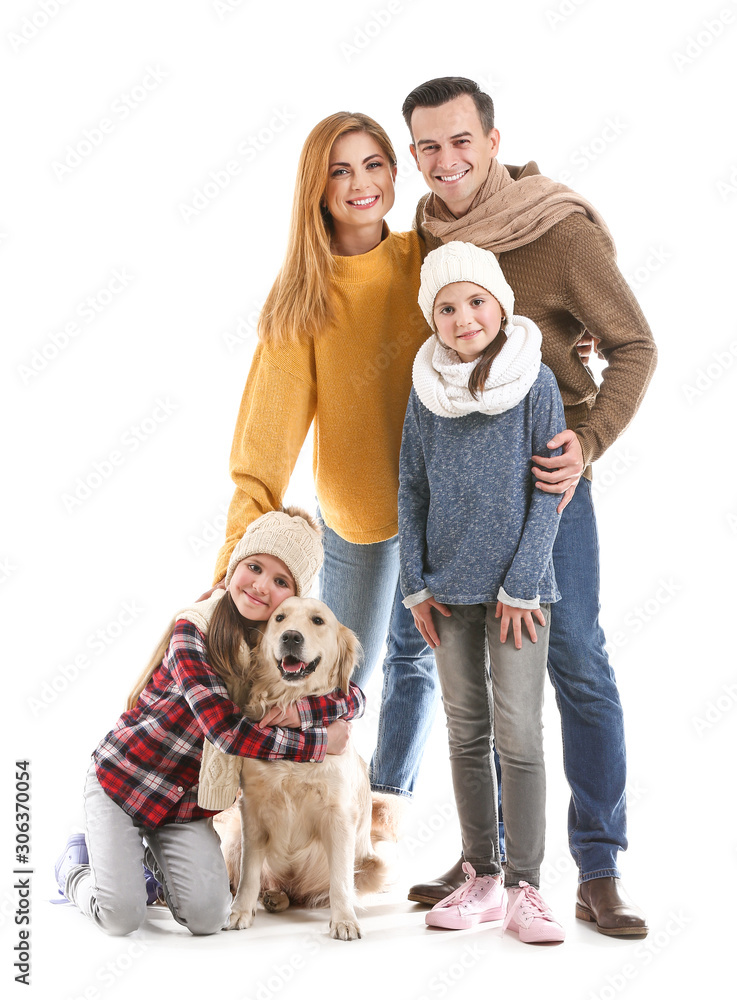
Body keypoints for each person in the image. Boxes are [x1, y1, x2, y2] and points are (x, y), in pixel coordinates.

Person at [401, 76, 656, 938]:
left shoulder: (555, 228)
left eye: (460, 140)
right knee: (473, 691)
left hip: (549, 484)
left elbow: (632, 344)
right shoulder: (427, 234)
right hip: (464, 497)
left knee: (575, 656)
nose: (447, 161)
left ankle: (597, 866)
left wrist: (589, 438)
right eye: (428, 147)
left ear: (492, 137)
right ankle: (491, 857)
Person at [211, 112, 437, 855]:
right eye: (339, 171)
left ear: (395, 174)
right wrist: (232, 563)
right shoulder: (305, 296)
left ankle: (382, 802)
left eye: (372, 164)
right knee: (343, 664)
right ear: (317, 188)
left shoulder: (426, 257)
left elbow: (502, 289)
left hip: (446, 507)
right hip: (359, 512)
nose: (359, 183)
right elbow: (263, 444)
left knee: (418, 660)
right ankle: (282, 815)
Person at [54, 508, 363, 937]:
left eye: (280, 581)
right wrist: (318, 742)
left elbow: (349, 695)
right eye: (254, 567)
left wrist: (302, 714)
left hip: (183, 806)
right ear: (234, 566)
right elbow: (227, 732)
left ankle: (144, 863)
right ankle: (75, 866)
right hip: (124, 782)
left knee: (206, 918)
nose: (260, 585)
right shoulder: (192, 628)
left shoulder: (274, 646)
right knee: (121, 916)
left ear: (292, 597)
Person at [399, 240, 566, 943]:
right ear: (431, 318)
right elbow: (409, 485)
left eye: (474, 300)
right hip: (446, 591)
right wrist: (414, 585)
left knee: (518, 736)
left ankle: (527, 884)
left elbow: (549, 492)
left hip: (517, 599)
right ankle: (483, 876)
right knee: (465, 734)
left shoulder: (537, 382)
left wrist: (521, 585)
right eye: (445, 306)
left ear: (499, 303)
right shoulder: (424, 390)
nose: (463, 316)